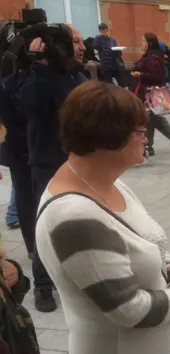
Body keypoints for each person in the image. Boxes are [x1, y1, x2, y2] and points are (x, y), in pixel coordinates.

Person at [37, 80, 170, 354]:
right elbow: (130, 310)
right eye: (139, 130)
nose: (146, 136)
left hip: (157, 346)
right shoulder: (74, 216)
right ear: (106, 137)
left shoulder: (107, 182)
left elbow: (145, 237)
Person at [14, 23, 88, 312]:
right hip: (48, 164)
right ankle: (43, 286)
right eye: (76, 41)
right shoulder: (38, 76)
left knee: (79, 220)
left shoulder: (74, 73)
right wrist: (36, 67)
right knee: (47, 224)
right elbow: (27, 107)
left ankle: (74, 274)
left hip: (80, 160)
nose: (83, 47)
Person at [129, 32, 170, 156]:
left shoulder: (153, 57)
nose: (141, 43)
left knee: (147, 118)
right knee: (156, 119)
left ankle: (147, 145)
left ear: (149, 43)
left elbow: (157, 76)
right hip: (148, 94)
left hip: (150, 95)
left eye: (143, 41)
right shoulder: (150, 56)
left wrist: (141, 75)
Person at [0, 72, 37, 261]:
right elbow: (9, 121)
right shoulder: (7, 83)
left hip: (28, 147)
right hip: (20, 149)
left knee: (24, 196)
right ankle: (32, 246)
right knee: (24, 196)